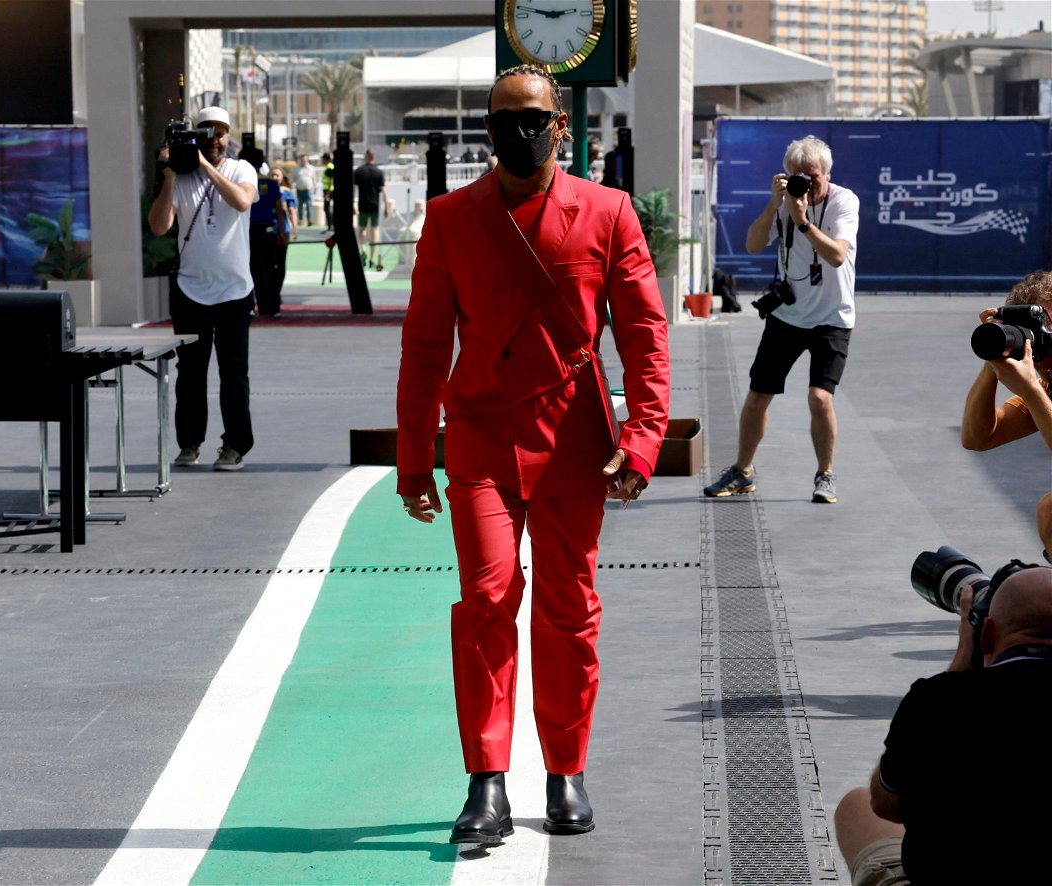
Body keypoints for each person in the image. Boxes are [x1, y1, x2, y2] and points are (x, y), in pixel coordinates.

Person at [396, 64, 670, 846]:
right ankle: (487, 781)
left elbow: (645, 336)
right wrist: (416, 460)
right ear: (487, 129)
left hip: (573, 441)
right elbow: (422, 347)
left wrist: (642, 439)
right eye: (504, 118)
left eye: (534, 118)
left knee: (568, 611)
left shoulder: (609, 212)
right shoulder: (451, 218)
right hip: (480, 438)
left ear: (560, 126)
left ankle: (565, 771)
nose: (521, 130)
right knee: (485, 601)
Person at [833, 565, 1052, 885]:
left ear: (987, 634)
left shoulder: (937, 701)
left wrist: (961, 661)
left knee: (856, 806)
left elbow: (885, 804)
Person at [704, 134, 859, 504]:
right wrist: (775, 204)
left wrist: (803, 222)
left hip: (832, 318)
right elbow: (753, 245)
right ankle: (743, 471)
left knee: (820, 398)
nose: (807, 184)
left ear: (828, 173)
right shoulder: (784, 203)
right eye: (798, 177)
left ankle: (826, 475)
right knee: (758, 396)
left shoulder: (844, 201)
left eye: (814, 176)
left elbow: (837, 255)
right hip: (788, 315)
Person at [148, 105, 257, 472]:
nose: (216, 138)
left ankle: (235, 446)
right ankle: (189, 443)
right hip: (191, 290)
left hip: (234, 291)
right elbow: (159, 226)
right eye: (208, 131)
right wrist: (168, 176)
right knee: (190, 374)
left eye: (222, 132)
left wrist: (207, 168)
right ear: (196, 135)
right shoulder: (180, 178)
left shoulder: (241, 169)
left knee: (234, 372)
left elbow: (242, 201)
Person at [961, 270, 1052, 561]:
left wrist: (1030, 390)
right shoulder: (1047, 386)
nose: (1037, 341)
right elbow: (977, 437)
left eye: (1046, 324)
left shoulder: (1040, 391)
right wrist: (995, 360)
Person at [239, 148, 286, 318]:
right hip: (267, 231)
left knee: (251, 268)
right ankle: (272, 307)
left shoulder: (238, 182)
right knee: (269, 268)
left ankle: (254, 304)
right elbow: (279, 210)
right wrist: (281, 232)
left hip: (246, 232)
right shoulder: (271, 183)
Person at [267, 166, 298, 310]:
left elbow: (292, 211)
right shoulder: (263, 190)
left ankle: (276, 292)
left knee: (280, 264)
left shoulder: (286, 193)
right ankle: (270, 293)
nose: (274, 178)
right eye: (272, 175)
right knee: (269, 263)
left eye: (277, 176)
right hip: (267, 231)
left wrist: (295, 228)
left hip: (282, 231)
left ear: (282, 177)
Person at [353, 148, 388, 271]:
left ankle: (363, 250)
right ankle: (372, 259)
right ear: (374, 157)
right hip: (375, 205)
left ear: (366, 157)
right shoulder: (379, 172)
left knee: (361, 230)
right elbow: (384, 190)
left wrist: (353, 204)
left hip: (363, 205)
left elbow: (354, 190)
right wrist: (387, 205)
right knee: (375, 231)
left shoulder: (358, 171)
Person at [293, 154, 315, 226]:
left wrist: (315, 187)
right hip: (299, 189)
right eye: (302, 160)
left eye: (305, 160)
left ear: (307, 160)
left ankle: (310, 220)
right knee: (300, 205)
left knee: (309, 205)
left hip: (308, 189)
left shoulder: (311, 168)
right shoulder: (297, 168)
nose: (304, 161)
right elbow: (293, 179)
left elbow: (314, 179)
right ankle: (301, 219)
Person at [320, 151, 334, 229]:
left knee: (327, 208)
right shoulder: (328, 167)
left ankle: (331, 226)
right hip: (327, 190)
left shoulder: (330, 167)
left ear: (326, 159)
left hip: (329, 191)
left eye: (323, 159)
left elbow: (331, 180)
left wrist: (328, 193)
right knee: (326, 208)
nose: (322, 161)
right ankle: (330, 226)